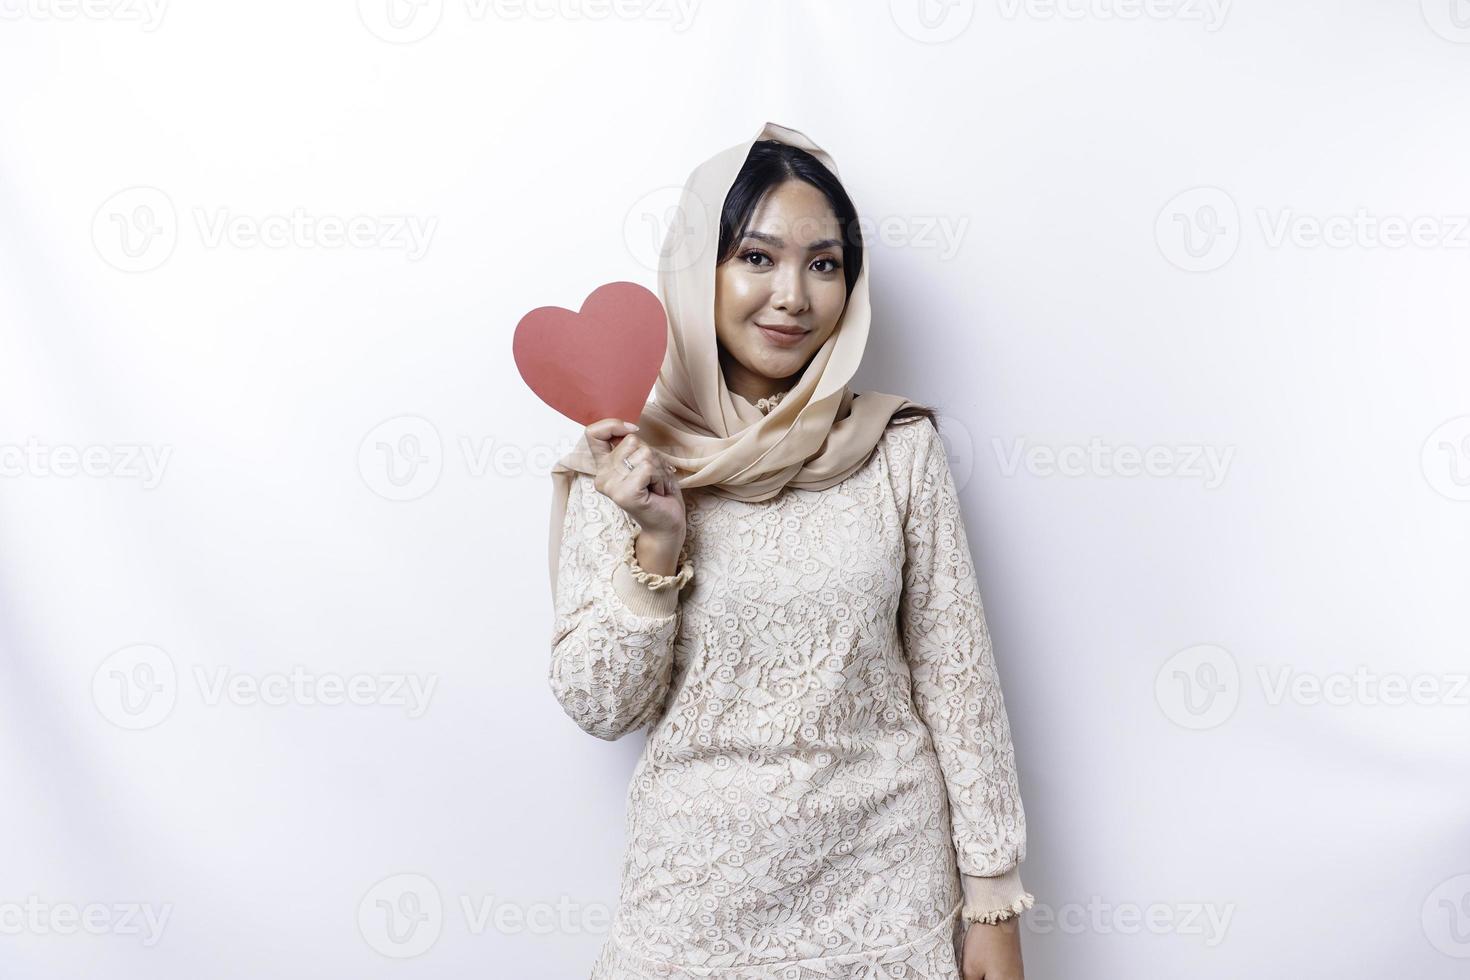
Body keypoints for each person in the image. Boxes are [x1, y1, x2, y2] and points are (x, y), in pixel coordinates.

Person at [546, 120, 1034, 980]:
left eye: (824, 264)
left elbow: (958, 677)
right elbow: (598, 705)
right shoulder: (627, 457)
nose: (793, 297)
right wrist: (657, 543)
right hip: (694, 907)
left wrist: (992, 899)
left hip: (883, 894)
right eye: (757, 258)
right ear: (701, 268)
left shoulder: (897, 447)